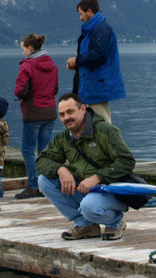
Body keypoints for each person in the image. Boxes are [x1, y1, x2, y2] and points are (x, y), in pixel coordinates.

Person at [36, 92, 135, 241]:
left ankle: (116, 222)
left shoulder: (105, 130)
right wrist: (61, 169)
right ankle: (86, 225)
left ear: (82, 109)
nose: (66, 118)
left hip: (111, 190)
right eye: (62, 115)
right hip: (85, 190)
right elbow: (42, 160)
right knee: (45, 180)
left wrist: (98, 177)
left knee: (89, 207)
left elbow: (127, 161)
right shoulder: (64, 138)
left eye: (70, 112)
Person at [65, 0, 125, 123]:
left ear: (90, 11)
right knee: (90, 123)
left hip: (96, 86)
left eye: (81, 14)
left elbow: (100, 55)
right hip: (90, 86)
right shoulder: (93, 29)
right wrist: (78, 63)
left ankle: (108, 143)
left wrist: (78, 61)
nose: (80, 18)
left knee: (102, 123)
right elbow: (94, 55)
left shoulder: (101, 29)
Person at [13, 33, 59, 199]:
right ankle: (46, 185)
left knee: (27, 150)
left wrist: (21, 94)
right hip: (50, 112)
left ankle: (33, 185)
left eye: (23, 49)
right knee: (44, 151)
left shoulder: (27, 66)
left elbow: (20, 90)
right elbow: (54, 89)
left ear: (30, 48)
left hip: (33, 112)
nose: (23, 52)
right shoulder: (52, 65)